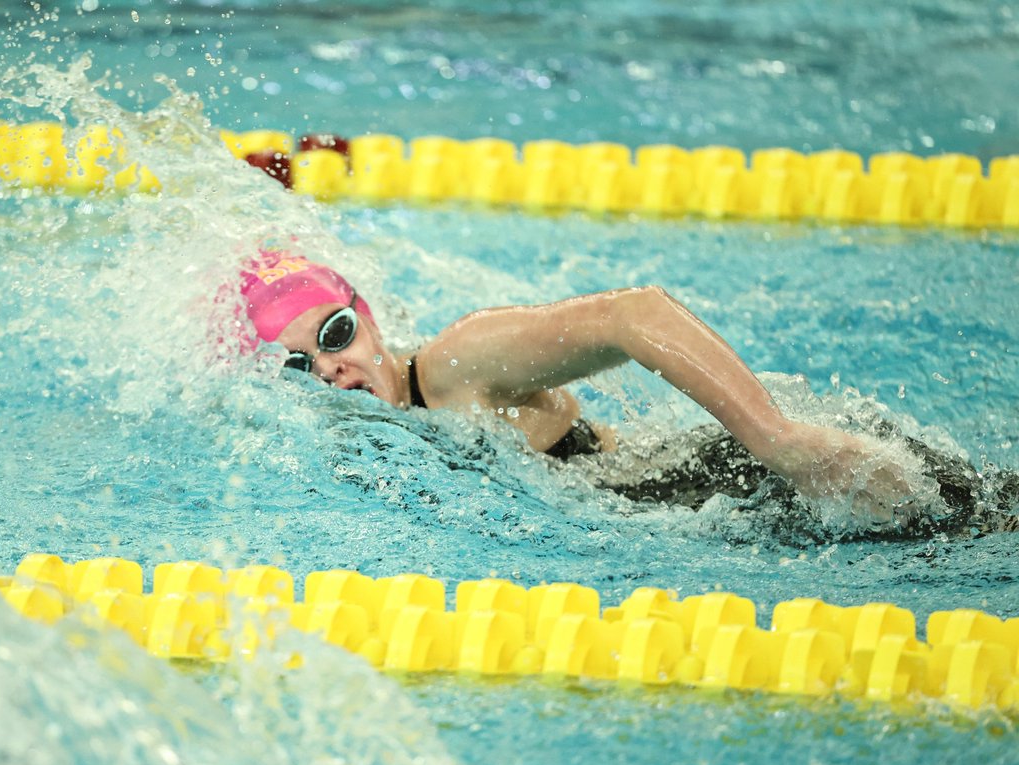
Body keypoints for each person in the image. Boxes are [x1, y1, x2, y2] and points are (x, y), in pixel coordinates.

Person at [231, 248, 1017, 536]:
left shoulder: (450, 367)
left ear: (368, 318)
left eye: (333, 335)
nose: (330, 369)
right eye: (298, 366)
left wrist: (778, 440)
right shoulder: (364, 451)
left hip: (742, 484)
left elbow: (632, 314)